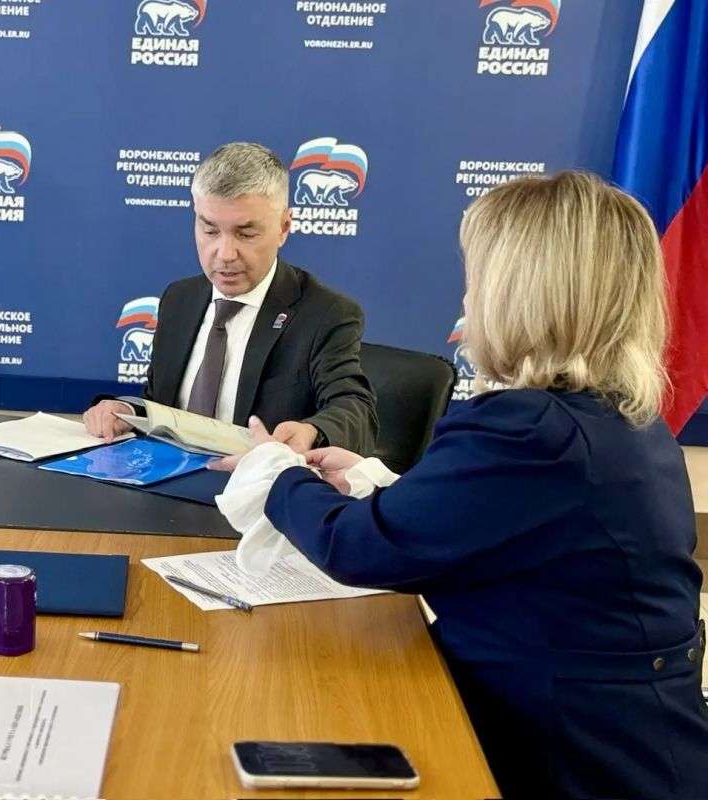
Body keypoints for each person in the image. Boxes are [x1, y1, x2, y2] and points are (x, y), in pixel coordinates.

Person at [214, 171, 708, 798]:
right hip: (633, 738)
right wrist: (371, 481)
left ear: (518, 295)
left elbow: (360, 550)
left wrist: (275, 473)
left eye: (477, 279)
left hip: (579, 761)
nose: (468, 301)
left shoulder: (529, 428)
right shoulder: (615, 417)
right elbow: (497, 526)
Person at [83, 142, 377, 456]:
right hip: (168, 477)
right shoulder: (179, 299)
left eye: (245, 234)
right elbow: (162, 405)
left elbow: (355, 408)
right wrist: (127, 411)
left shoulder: (326, 314)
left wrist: (313, 432)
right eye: (210, 231)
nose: (224, 254)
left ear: (283, 228)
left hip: (256, 482)